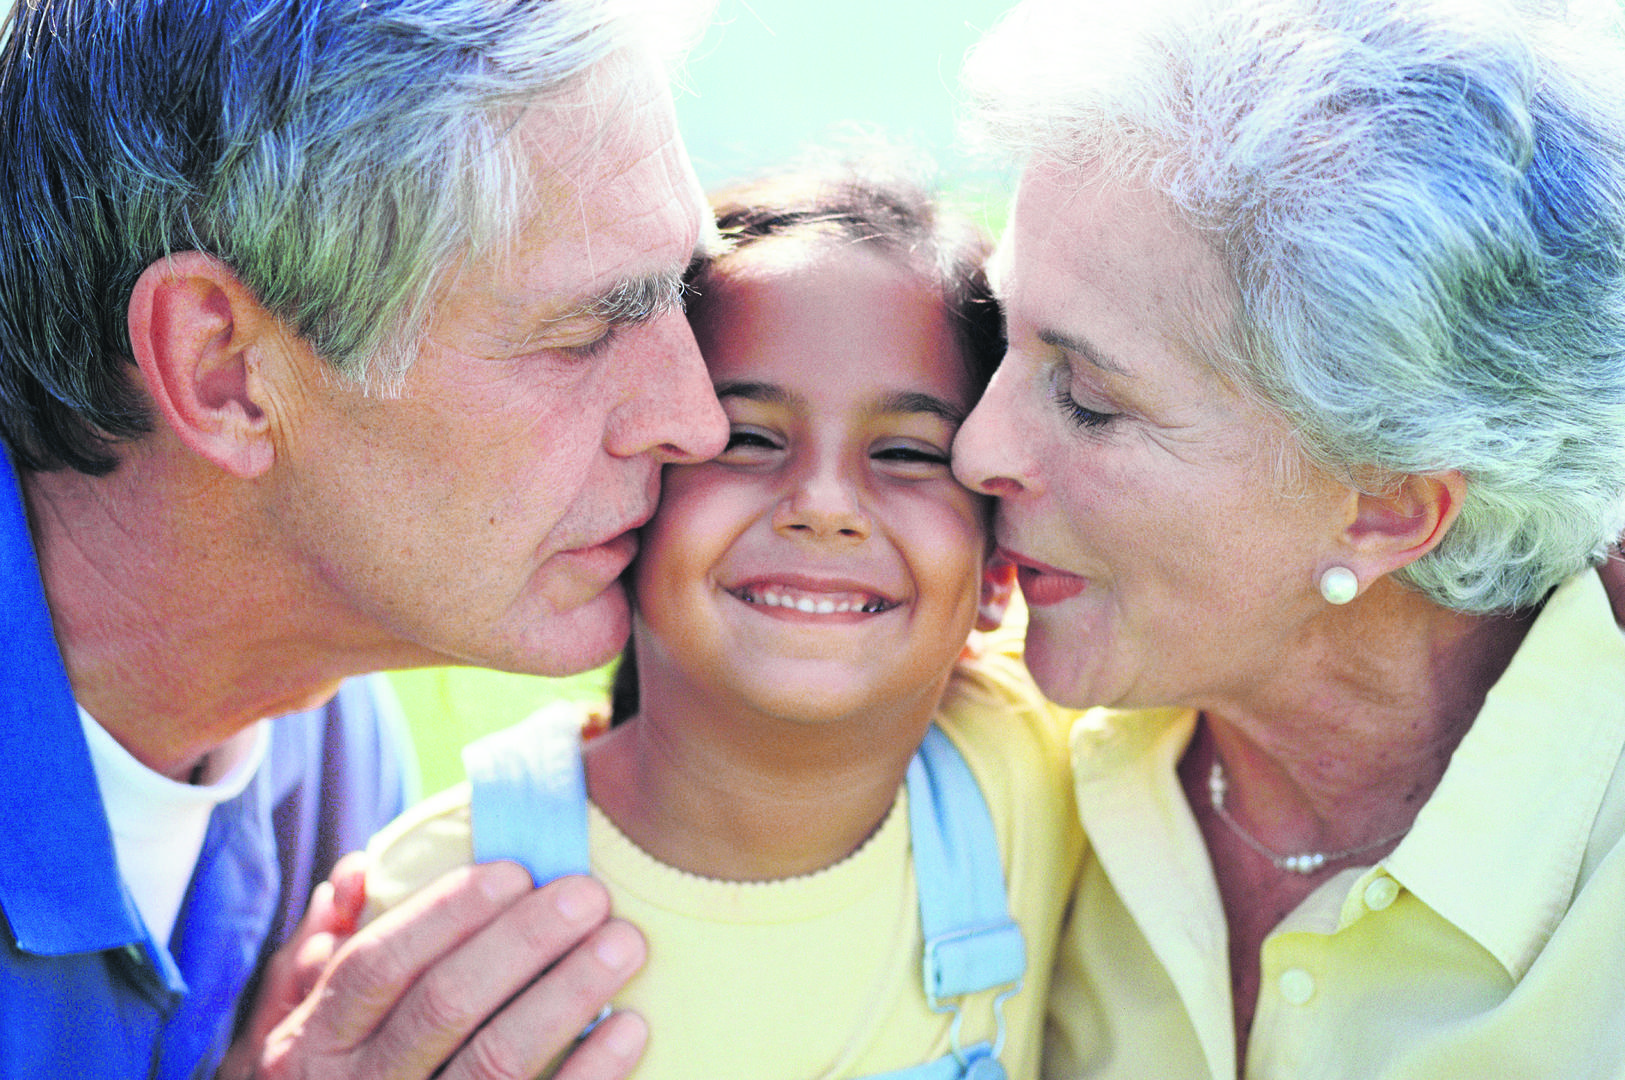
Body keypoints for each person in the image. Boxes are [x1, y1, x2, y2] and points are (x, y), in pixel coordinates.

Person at [0, 0, 730, 1076]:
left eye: (681, 299)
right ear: (223, 371)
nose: (696, 418)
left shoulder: (321, 736)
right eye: (581, 334)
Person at [948, 0, 1625, 1076]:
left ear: (1385, 509)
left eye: (1084, 396)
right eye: (996, 333)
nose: (976, 448)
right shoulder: (985, 761)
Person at [362, 168, 1084, 1079]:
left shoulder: (1034, 762)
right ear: (626, 509)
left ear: (998, 571)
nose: (823, 506)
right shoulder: (446, 901)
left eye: (906, 454)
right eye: (746, 438)